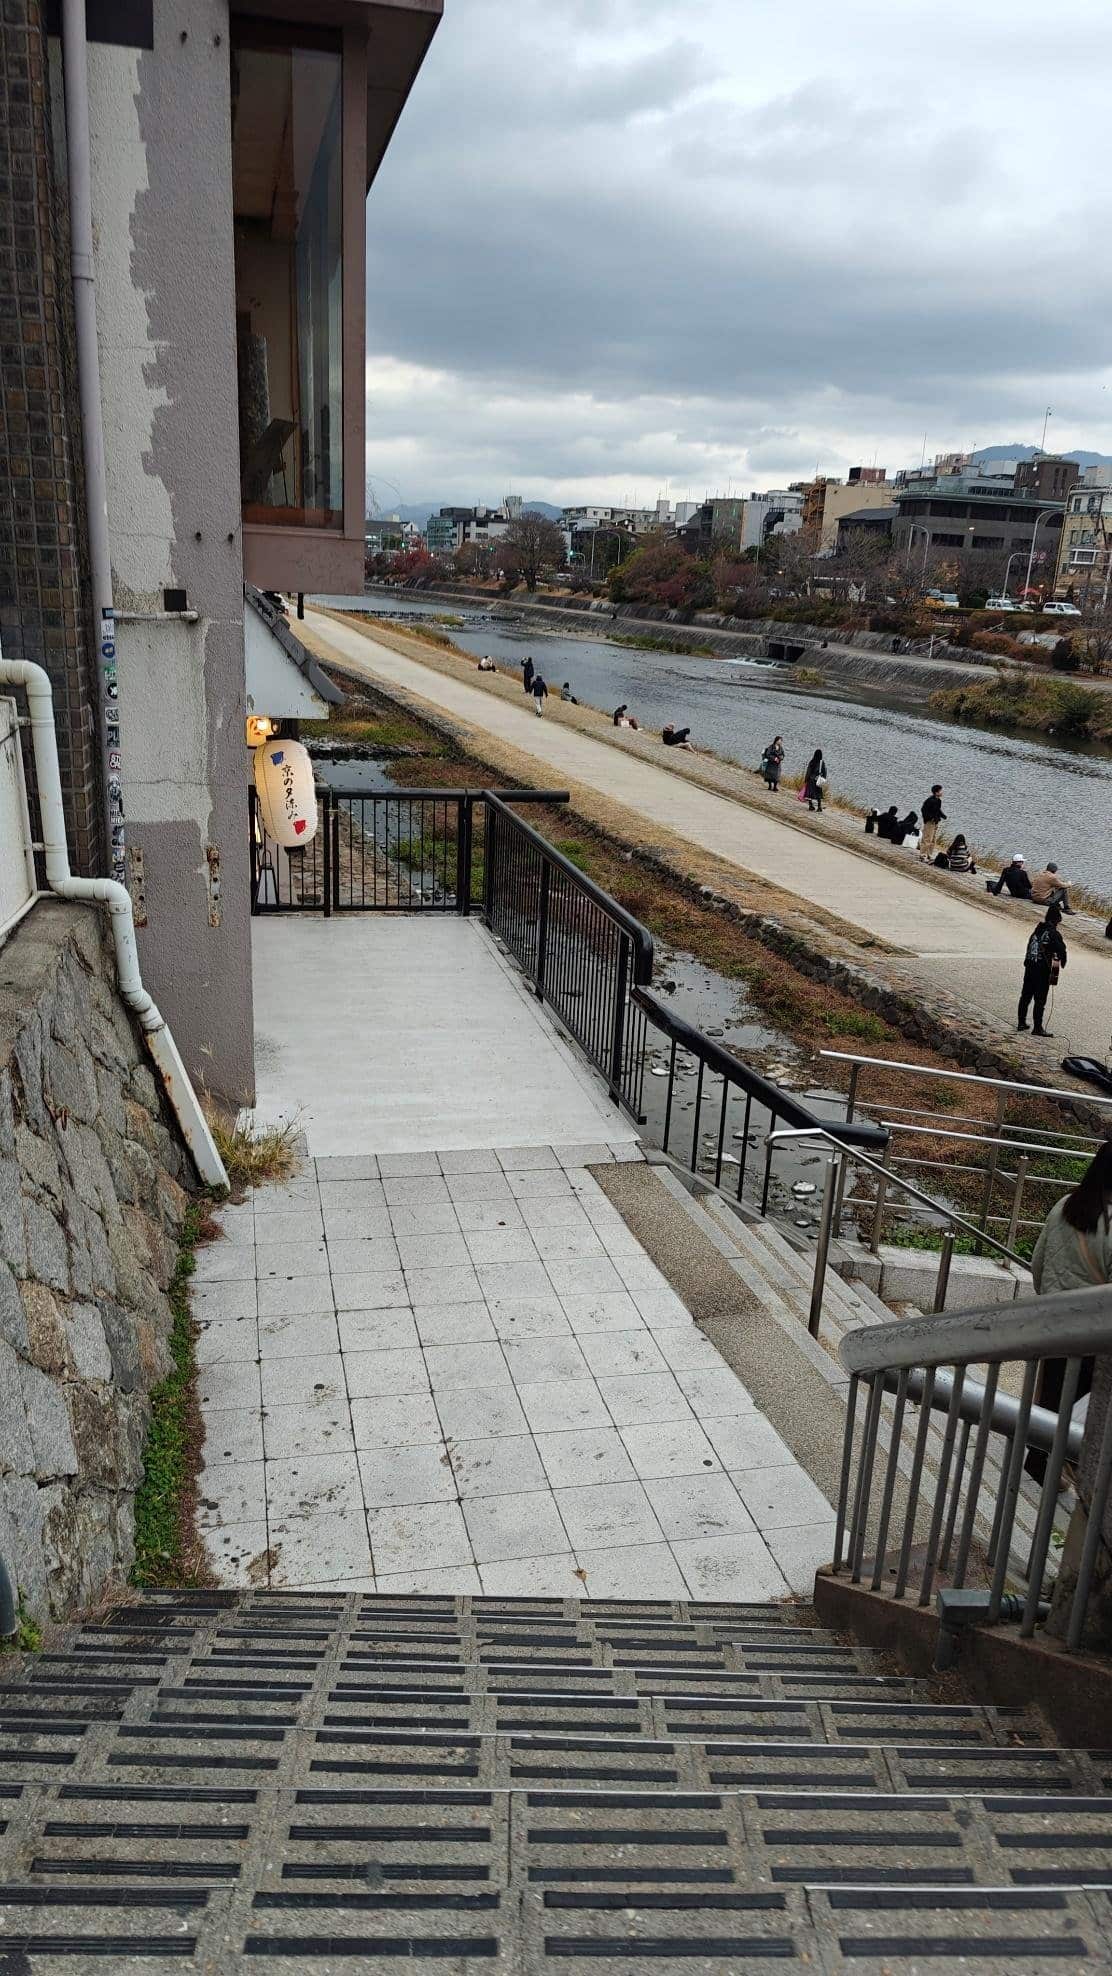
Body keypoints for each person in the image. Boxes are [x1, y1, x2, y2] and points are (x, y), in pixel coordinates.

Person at [1025, 1137, 1112, 1474]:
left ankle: (1038, 1460)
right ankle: (1068, 1465)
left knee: (1051, 1395)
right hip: (1094, 1335)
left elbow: (1038, 1264)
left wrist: (1049, 1299)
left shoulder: (1064, 1206)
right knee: (1085, 1405)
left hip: (1054, 1323)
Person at [1018, 903, 1067, 1037]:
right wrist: (1061, 963)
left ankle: (1021, 1022)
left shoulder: (1037, 930)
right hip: (1042, 970)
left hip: (1030, 966)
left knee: (1026, 996)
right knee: (1040, 999)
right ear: (1057, 920)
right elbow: (1061, 951)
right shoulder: (1053, 933)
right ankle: (1037, 1028)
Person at [919, 785, 946, 863]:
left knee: (933, 839)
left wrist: (943, 815)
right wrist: (930, 818)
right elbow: (923, 810)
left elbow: (938, 810)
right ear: (936, 792)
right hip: (929, 822)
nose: (942, 792)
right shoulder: (929, 801)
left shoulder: (938, 801)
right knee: (927, 838)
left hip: (936, 822)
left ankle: (929, 854)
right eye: (940, 791)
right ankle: (922, 855)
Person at [803, 747, 826, 812]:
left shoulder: (812, 761)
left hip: (811, 779)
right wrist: (823, 778)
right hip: (818, 780)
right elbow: (824, 771)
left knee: (810, 793)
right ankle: (819, 806)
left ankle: (811, 806)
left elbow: (808, 771)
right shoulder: (822, 763)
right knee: (818, 793)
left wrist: (806, 779)